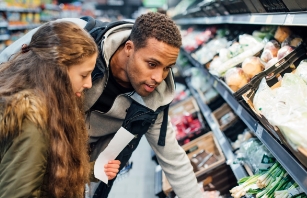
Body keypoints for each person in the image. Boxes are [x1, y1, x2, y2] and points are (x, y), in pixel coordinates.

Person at [0, 12, 203, 198]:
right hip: (33, 140)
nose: (158, 77)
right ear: (129, 48)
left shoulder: (154, 100)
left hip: (75, 166)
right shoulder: (76, 35)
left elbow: (173, 158)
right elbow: (8, 62)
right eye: (152, 64)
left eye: (167, 68)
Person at [0, 21, 120, 197]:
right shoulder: (32, 122)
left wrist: (90, 170)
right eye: (83, 75)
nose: (88, 84)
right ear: (58, 72)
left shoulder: (45, 105)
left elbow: (46, 171)